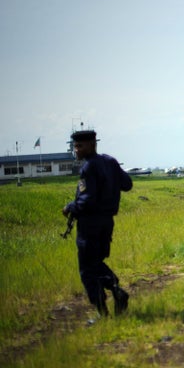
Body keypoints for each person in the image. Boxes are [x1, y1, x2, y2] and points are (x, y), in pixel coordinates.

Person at [62, 130, 133, 318]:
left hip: (90, 225)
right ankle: (116, 290)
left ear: (92, 144)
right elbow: (127, 184)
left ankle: (103, 312)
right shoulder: (110, 162)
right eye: (75, 146)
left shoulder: (89, 167)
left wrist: (70, 207)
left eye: (80, 146)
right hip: (106, 223)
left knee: (87, 269)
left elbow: (87, 201)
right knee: (95, 262)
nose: (76, 150)